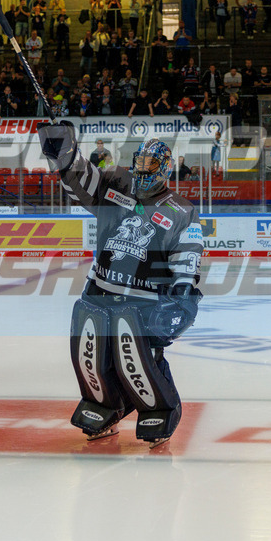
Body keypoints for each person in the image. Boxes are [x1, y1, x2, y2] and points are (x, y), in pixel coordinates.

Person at [37, 123, 204, 448]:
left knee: (136, 356)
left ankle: (159, 408)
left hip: (145, 300)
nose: (142, 169)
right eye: (139, 162)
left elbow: (188, 253)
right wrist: (62, 150)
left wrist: (183, 291)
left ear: (165, 169)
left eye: (149, 164)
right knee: (89, 350)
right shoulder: (116, 184)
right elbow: (80, 179)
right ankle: (104, 405)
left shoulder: (181, 209)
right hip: (101, 290)